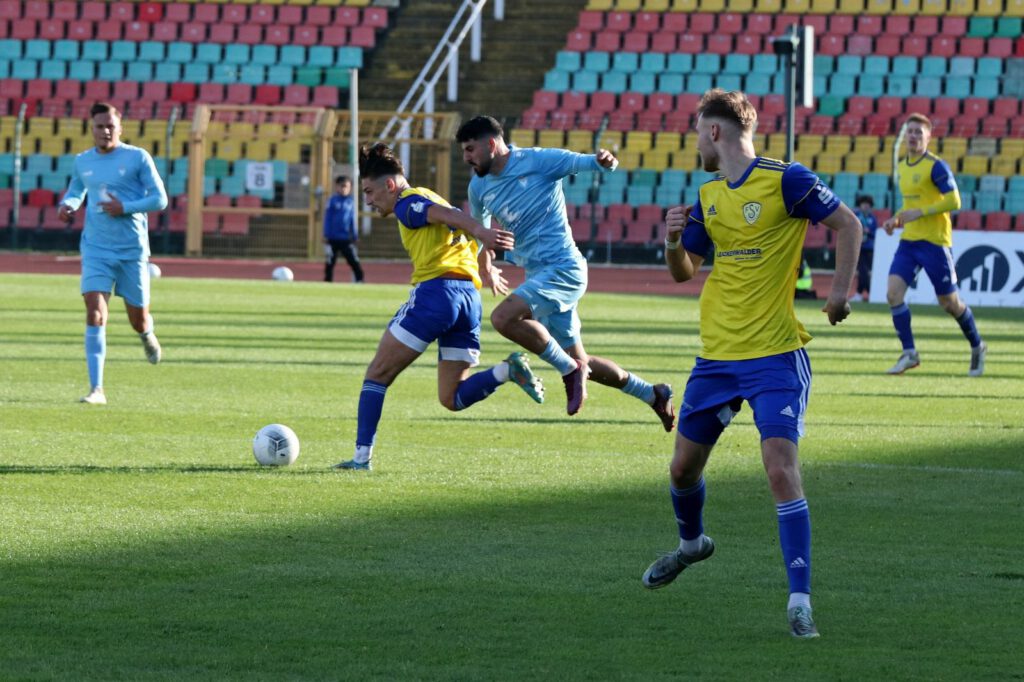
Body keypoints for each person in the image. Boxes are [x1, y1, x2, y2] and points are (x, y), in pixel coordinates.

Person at [644, 89, 861, 639]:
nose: (694, 142)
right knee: (681, 469)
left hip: (775, 356)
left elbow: (849, 225)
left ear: (714, 132)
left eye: (696, 131)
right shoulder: (708, 194)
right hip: (717, 358)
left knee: (780, 469)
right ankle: (692, 544)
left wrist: (838, 292)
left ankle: (799, 601)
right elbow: (683, 272)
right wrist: (672, 241)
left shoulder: (786, 179)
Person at [333, 143, 544, 471]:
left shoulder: (407, 202)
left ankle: (361, 459)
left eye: (370, 191)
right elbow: (460, 222)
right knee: (451, 397)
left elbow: (451, 217)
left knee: (377, 374)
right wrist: (486, 262)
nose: (368, 200)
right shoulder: (431, 195)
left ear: (390, 184)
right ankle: (507, 370)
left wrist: (482, 232)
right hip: (468, 300)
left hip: (437, 294)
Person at [456, 116, 674, 430]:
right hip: (537, 275)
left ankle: (568, 371)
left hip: (564, 270)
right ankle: (653, 394)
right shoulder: (478, 185)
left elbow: (590, 164)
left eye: (470, 149)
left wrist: (605, 162)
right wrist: (485, 259)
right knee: (582, 361)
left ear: (491, 144)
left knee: (503, 318)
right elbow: (482, 229)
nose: (466, 157)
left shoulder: (539, 160)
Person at [58, 102, 168, 405]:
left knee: (138, 319)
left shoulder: (137, 158)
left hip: (132, 250)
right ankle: (97, 389)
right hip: (96, 248)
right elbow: (77, 189)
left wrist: (126, 208)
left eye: (110, 126)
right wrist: (68, 205)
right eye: (99, 126)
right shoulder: (82, 161)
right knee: (94, 312)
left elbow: (160, 199)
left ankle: (147, 334)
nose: (104, 131)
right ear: (91, 128)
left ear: (120, 128)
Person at [882, 113, 986, 376]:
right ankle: (909, 353)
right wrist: (896, 220)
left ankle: (977, 345)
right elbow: (909, 204)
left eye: (919, 132)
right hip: (909, 242)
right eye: (910, 131)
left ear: (928, 137)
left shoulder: (936, 166)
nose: (914, 136)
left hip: (935, 243)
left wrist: (922, 212)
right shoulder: (903, 166)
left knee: (949, 303)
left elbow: (954, 201)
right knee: (893, 294)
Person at [323, 175, 365, 283]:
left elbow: (352, 220)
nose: (344, 189)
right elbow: (327, 219)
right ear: (337, 187)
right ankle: (328, 282)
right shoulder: (332, 201)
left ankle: (360, 280)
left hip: (345, 238)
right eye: (342, 186)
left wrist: (355, 236)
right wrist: (326, 234)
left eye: (346, 186)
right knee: (330, 262)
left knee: (353, 260)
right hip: (332, 239)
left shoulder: (350, 202)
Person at [851, 194, 878, 302]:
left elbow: (875, 233)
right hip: (858, 247)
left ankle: (860, 293)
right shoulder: (856, 216)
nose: (865, 206)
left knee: (865, 272)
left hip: (869, 248)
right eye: (863, 204)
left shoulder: (873, 218)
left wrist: (869, 232)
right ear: (860, 205)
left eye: (867, 204)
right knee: (863, 271)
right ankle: (868, 293)